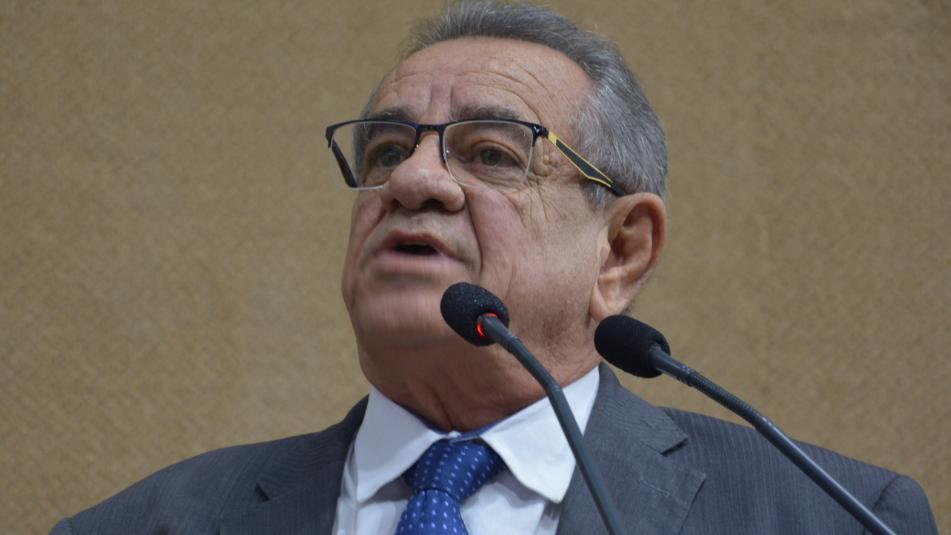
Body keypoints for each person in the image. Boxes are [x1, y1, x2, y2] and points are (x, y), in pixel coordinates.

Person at [52, 2, 937, 534]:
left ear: (620, 250)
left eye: (490, 154)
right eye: (386, 150)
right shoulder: (140, 525)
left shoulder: (827, 516)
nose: (413, 181)